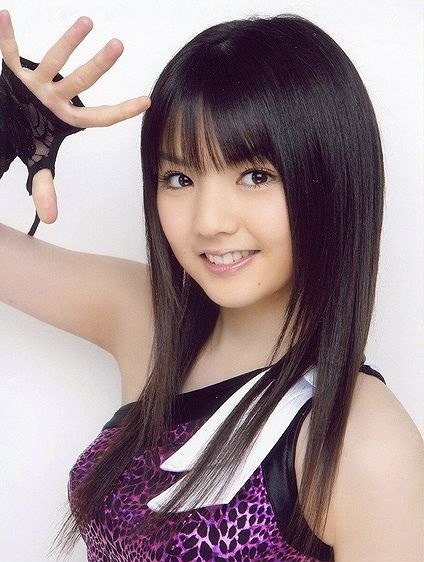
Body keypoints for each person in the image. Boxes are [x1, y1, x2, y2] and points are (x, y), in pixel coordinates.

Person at [0, 9, 423, 562]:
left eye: (255, 175)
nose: (209, 221)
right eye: (180, 178)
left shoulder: (362, 440)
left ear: (331, 178)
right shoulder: (147, 317)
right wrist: (8, 125)